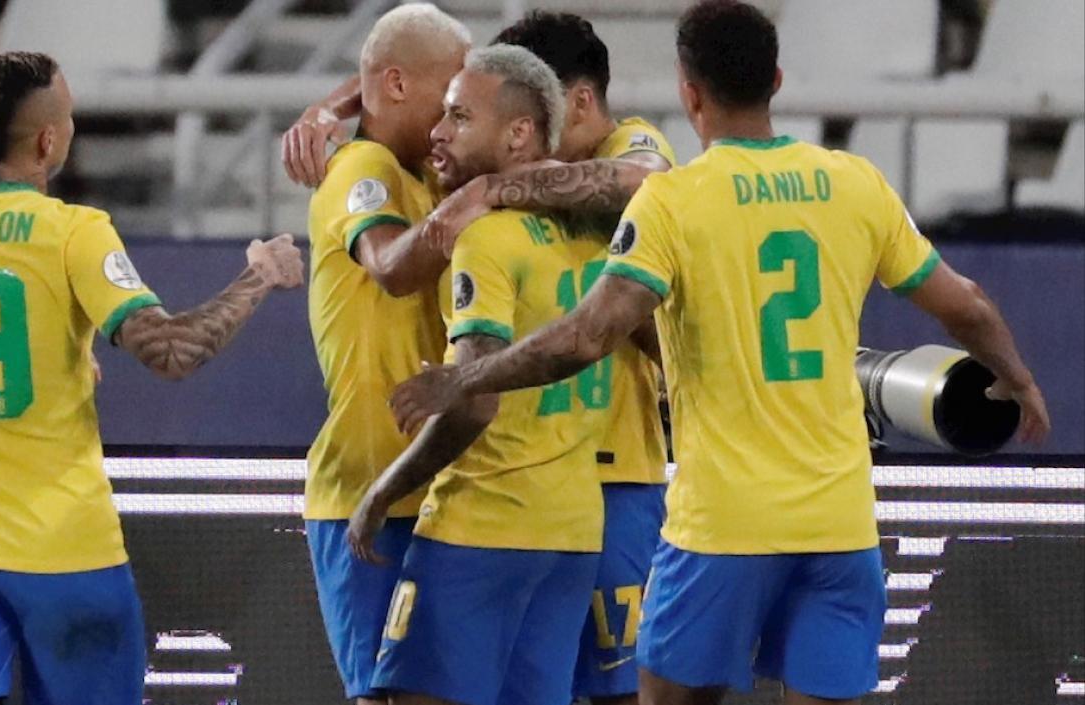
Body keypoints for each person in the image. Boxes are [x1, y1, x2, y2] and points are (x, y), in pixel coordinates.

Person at [387, 3, 1051, 705]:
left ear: (688, 93)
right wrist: (1019, 379)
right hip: (839, 528)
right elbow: (967, 305)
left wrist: (466, 376)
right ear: (777, 80)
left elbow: (587, 336)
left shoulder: (673, 202)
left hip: (720, 528)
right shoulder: (856, 184)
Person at [0, 51, 303, 705]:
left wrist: (52, 350)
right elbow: (171, 352)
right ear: (49, 141)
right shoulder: (74, 232)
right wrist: (261, 276)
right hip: (65, 554)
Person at [345, 44, 604, 705]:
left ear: (519, 133)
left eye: (459, 116)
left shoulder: (486, 238)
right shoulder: (594, 232)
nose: (438, 129)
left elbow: (473, 401)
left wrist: (384, 489)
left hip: (481, 527)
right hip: (571, 534)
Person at [489, 14, 675, 705]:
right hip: (526, 482)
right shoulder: (520, 162)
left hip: (616, 470)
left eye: (533, 109)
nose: (520, 128)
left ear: (580, 102)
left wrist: (502, 187)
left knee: (625, 690)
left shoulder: (635, 139)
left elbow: (646, 180)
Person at [302, 5, 470, 703]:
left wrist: (332, 101)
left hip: (431, 488)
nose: (456, 119)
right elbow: (388, 261)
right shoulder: (361, 165)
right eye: (451, 98)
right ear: (397, 85)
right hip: (368, 491)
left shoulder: (429, 178)